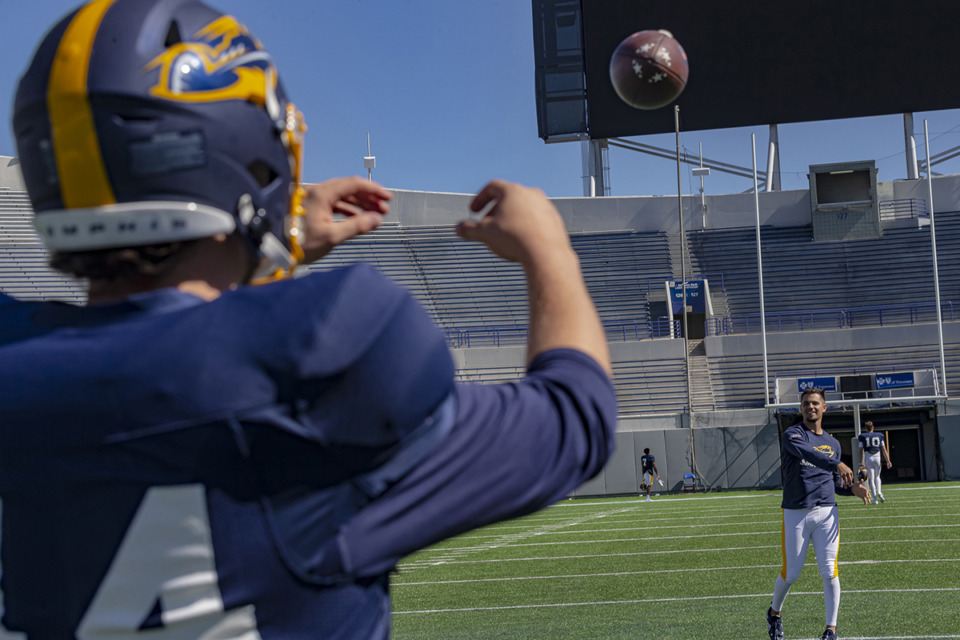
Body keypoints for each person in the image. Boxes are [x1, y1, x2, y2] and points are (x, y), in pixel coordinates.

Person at [0, 1, 617, 637]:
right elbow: (576, 418)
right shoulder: (314, 358)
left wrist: (275, 236)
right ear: (244, 150)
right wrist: (550, 249)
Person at [766, 388, 871, 640]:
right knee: (791, 573)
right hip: (796, 512)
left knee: (829, 571)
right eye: (805, 403)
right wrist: (836, 462)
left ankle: (831, 630)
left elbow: (834, 482)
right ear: (801, 408)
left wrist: (852, 489)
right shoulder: (793, 435)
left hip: (827, 512)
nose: (810, 407)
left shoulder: (833, 443)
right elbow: (810, 454)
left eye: (815, 403)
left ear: (824, 408)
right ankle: (774, 613)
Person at [858, 420, 892, 504]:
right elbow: (884, 449)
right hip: (877, 458)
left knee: (871, 479)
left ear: (866, 429)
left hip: (868, 458)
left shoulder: (863, 436)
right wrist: (888, 461)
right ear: (873, 427)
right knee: (877, 477)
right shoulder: (879, 435)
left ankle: (875, 499)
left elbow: (860, 451)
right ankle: (879, 492)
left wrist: (860, 463)